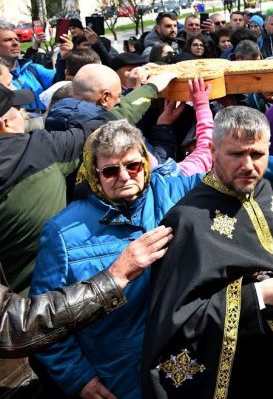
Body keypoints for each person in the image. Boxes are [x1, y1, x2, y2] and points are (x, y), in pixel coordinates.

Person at [143, 107, 273, 398]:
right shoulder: (188, 221)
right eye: (236, 154)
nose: (248, 166)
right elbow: (175, 323)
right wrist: (258, 297)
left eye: (256, 154)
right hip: (243, 372)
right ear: (214, 150)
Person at [0, 74, 173, 295]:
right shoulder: (38, 149)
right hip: (34, 302)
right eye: (18, 110)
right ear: (4, 123)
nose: (24, 115)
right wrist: (151, 88)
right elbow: (106, 123)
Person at [0, 227, 172, 358]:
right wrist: (78, 377)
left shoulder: (175, 190)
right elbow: (16, 325)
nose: (124, 177)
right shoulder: (60, 231)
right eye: (109, 176)